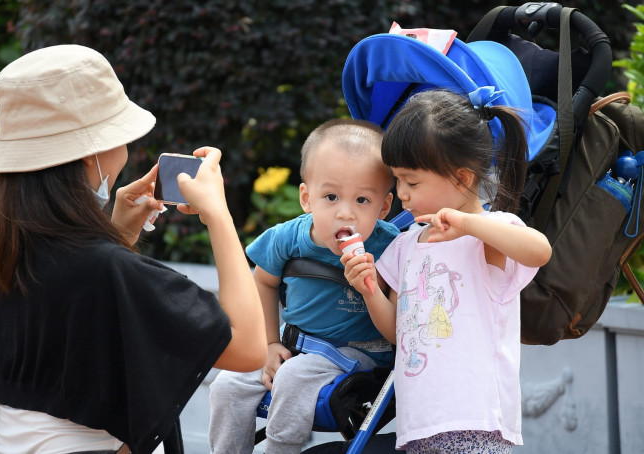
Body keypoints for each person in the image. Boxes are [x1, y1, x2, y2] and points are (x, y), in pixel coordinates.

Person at [0, 44, 267, 454]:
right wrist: (219, 216)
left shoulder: (7, 253)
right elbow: (249, 348)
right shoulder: (106, 267)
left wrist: (115, 235)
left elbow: (78, 333)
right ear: (92, 155)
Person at [342, 89, 552, 454]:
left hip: (475, 421)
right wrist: (369, 289)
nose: (402, 195)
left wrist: (469, 224)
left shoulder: (489, 233)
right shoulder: (407, 244)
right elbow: (396, 330)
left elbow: (539, 252)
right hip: (418, 422)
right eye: (398, 181)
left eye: (412, 181)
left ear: (462, 178)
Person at [207, 119, 400, 454]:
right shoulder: (287, 238)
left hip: (357, 350)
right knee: (227, 385)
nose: (345, 213)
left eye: (363, 201)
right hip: (293, 342)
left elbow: (399, 320)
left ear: (384, 207)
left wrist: (372, 284)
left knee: (293, 377)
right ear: (306, 198)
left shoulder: (390, 247)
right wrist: (267, 344)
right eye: (331, 197)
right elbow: (263, 283)